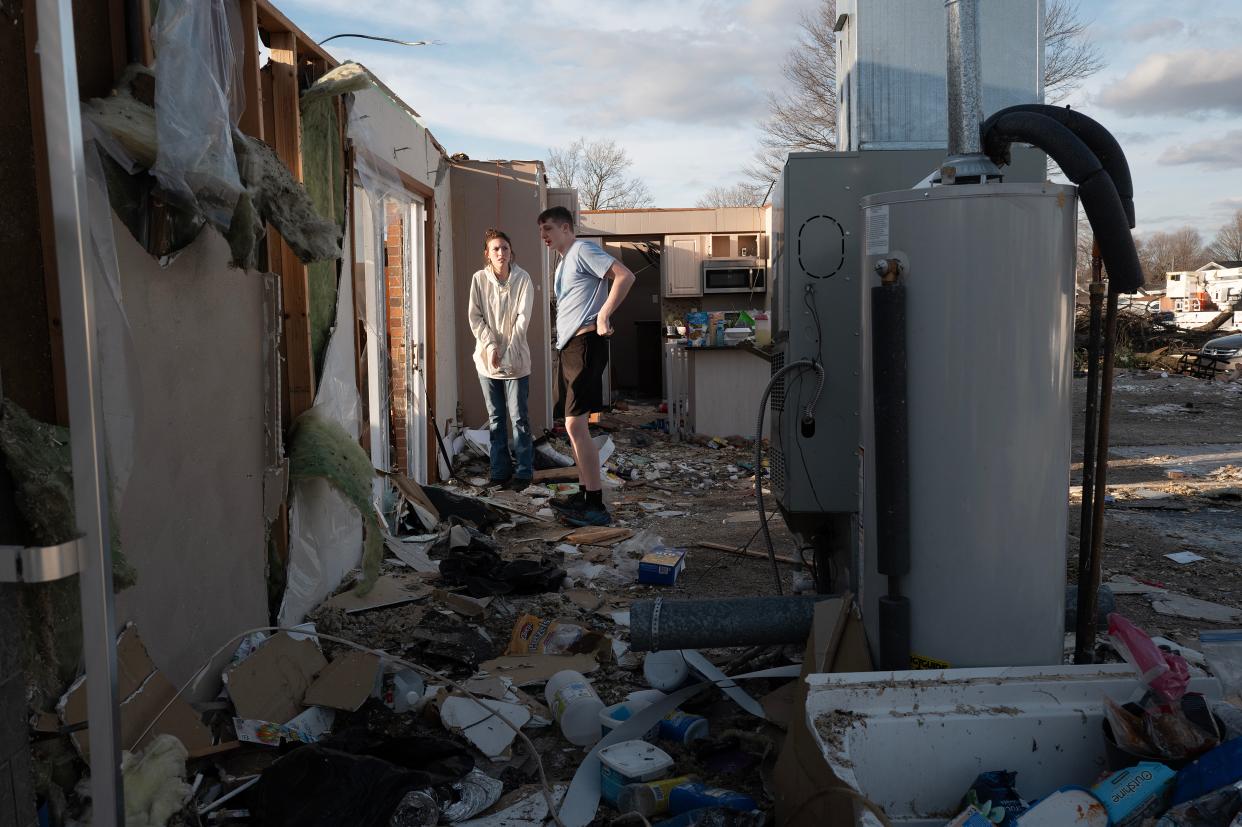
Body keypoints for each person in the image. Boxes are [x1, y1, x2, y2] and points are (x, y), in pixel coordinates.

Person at [538, 206, 635, 526]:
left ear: (566, 228)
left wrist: (605, 314)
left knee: (576, 426)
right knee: (570, 426)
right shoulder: (565, 262)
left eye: (549, 228)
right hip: (569, 347)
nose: (544, 236)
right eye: (542, 230)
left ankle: (595, 504)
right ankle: (584, 492)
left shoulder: (582, 249)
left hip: (585, 344)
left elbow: (625, 275)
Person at [468, 228, 535, 489]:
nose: (500, 253)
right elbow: (476, 317)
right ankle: (499, 473)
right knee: (496, 419)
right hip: (487, 363)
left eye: (504, 248)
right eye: (495, 249)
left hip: (517, 363)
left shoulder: (523, 279)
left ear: (511, 252)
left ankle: (524, 473)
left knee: (519, 419)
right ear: (487, 254)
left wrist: (507, 354)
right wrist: (491, 346)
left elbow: (522, 320)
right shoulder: (478, 280)